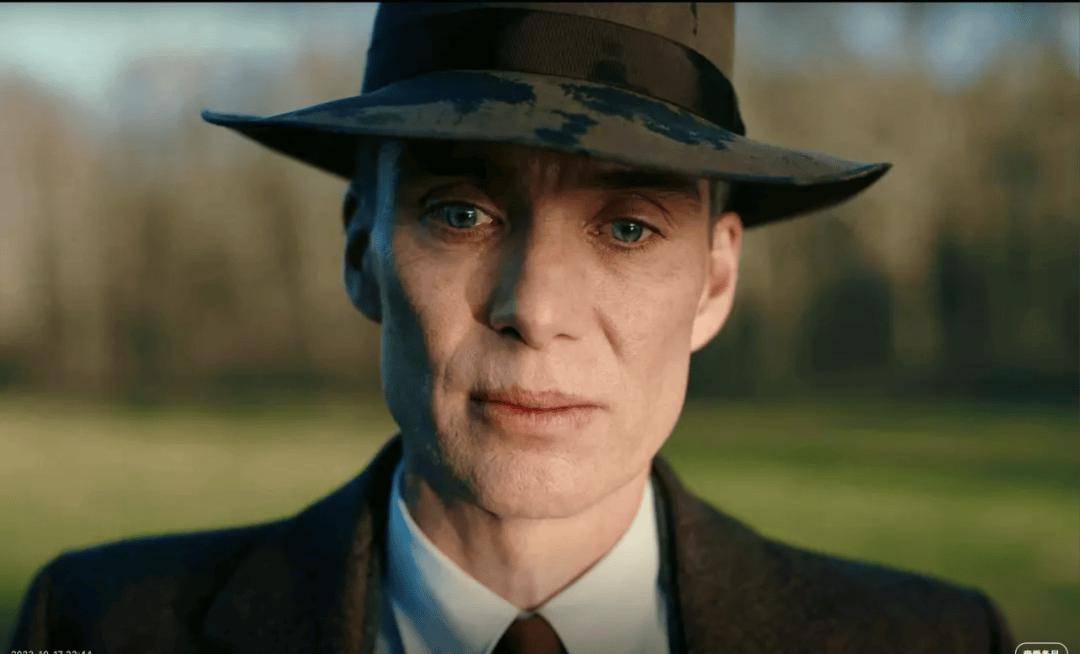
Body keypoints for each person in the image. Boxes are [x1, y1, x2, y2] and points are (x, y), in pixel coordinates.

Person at [10, 4, 1014, 653]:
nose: (534, 308)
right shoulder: (97, 624)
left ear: (714, 281)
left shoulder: (938, 642)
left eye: (627, 227)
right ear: (361, 249)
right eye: (461, 213)